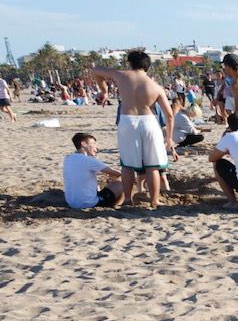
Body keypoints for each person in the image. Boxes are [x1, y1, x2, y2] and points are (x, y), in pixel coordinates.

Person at [90, 50, 175, 209]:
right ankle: (154, 200)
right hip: (149, 121)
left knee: (127, 165)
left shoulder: (122, 75)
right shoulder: (155, 86)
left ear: (130, 63)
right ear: (147, 66)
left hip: (128, 120)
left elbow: (95, 71)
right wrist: (169, 138)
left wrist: (104, 91)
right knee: (152, 166)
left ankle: (128, 199)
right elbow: (169, 115)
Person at [62, 132, 123, 209]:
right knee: (123, 179)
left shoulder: (68, 158)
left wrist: (101, 173)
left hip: (71, 203)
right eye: (93, 143)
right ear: (83, 143)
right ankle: (120, 204)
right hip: (89, 204)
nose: (96, 147)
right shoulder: (88, 160)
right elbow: (117, 173)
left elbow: (80, 171)